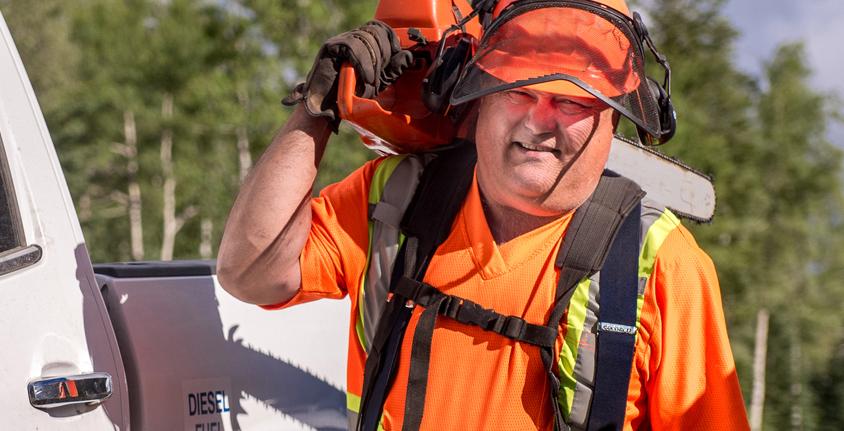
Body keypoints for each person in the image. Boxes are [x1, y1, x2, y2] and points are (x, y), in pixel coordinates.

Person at [217, 0, 750, 429]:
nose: (540, 120)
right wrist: (322, 107)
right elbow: (248, 272)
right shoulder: (399, 198)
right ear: (475, 98)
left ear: (612, 117)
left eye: (572, 101)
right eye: (519, 90)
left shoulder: (661, 262)